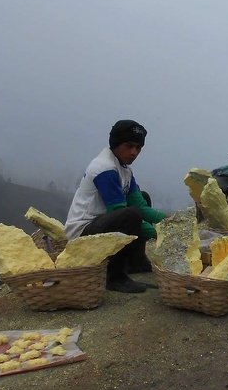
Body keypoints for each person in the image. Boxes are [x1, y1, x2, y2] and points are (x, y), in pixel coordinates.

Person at [65, 120, 166, 293]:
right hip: (82, 234)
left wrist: (168, 221)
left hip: (103, 223)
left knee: (143, 198)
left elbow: (140, 206)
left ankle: (136, 261)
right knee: (129, 215)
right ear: (116, 144)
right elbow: (120, 212)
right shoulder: (105, 168)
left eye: (138, 148)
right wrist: (162, 233)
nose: (134, 152)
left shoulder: (124, 169)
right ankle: (115, 277)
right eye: (129, 146)